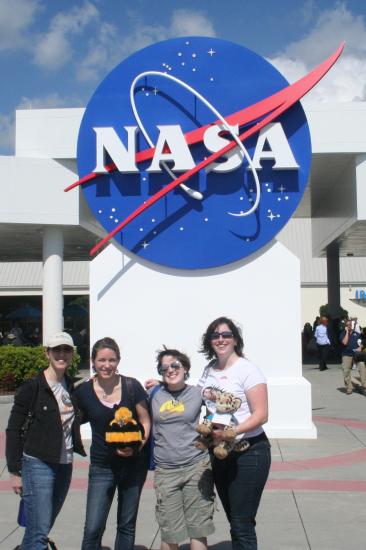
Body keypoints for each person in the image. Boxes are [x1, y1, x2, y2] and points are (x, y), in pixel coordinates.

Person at [5, 331, 86, 550]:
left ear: (72, 354)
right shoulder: (32, 388)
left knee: (40, 528)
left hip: (64, 464)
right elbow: (13, 430)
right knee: (39, 531)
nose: (62, 354)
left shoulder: (72, 386)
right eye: (56, 350)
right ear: (47, 353)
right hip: (37, 463)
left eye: (66, 350)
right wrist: (14, 472)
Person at [198, 316, 271, 550]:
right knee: (235, 520)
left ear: (235, 339)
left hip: (249, 452)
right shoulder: (209, 370)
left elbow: (261, 414)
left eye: (226, 335)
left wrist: (231, 432)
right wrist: (161, 386)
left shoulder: (248, 370)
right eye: (215, 335)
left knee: (241, 523)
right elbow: (195, 398)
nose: (221, 339)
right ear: (210, 341)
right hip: (219, 454)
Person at [75, 337, 150, 550]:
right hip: (102, 466)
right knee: (93, 528)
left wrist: (138, 446)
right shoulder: (83, 392)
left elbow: (145, 420)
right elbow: (69, 421)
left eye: (112, 360)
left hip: (134, 465)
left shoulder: (131, 386)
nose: (107, 365)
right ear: (92, 361)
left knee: (126, 525)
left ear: (118, 361)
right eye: (101, 360)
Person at [151, 348, 215, 550]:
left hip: (196, 466)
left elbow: (222, 408)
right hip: (166, 471)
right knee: (170, 533)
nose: (170, 370)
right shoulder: (153, 393)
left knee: (198, 530)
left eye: (175, 365)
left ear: (185, 367)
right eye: (164, 368)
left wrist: (210, 425)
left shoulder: (197, 393)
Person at [339, 319, 366, 395]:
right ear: (345, 326)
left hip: (357, 355)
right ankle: (349, 388)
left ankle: (364, 384)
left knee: (362, 366)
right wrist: (347, 332)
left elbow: (361, 343)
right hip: (346, 354)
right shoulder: (342, 333)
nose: (349, 326)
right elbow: (344, 342)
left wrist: (360, 347)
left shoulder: (356, 334)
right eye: (347, 325)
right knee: (346, 370)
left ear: (352, 325)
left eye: (350, 325)